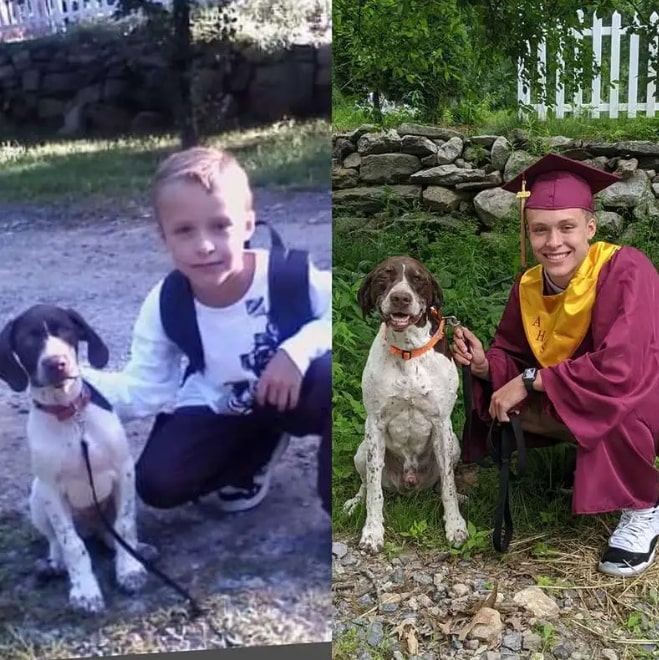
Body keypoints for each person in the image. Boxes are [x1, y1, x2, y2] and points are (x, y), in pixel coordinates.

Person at [82, 146, 331, 516]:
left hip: (296, 394)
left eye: (220, 225)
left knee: (336, 376)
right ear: (163, 237)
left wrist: (295, 352)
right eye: (184, 231)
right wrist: (74, 383)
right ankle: (255, 452)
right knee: (158, 483)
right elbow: (143, 389)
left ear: (247, 224)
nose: (204, 246)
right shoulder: (166, 302)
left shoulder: (287, 275)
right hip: (223, 405)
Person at [452, 153, 659, 577]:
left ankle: (645, 505)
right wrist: (482, 366)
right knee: (501, 398)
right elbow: (512, 352)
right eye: (540, 230)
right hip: (576, 393)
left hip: (641, 394)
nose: (554, 242)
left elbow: (623, 368)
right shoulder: (529, 284)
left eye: (567, 227)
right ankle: (589, 462)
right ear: (527, 233)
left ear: (590, 228)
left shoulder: (626, 269)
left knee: (608, 401)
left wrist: (530, 381)